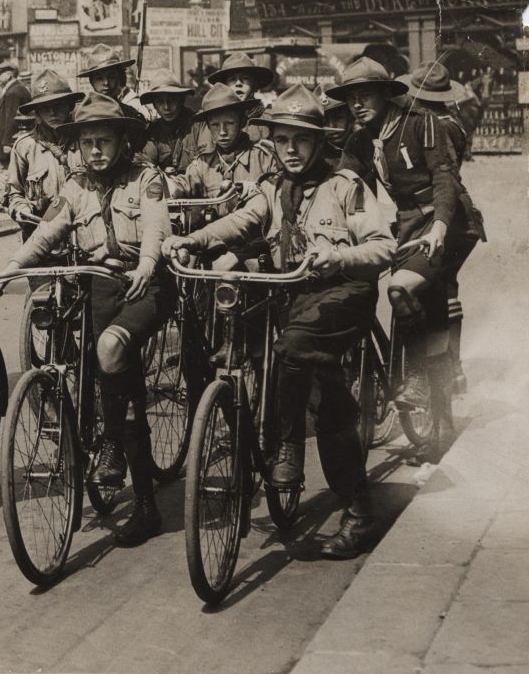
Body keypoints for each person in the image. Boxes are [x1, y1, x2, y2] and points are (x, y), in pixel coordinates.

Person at [162, 84, 396, 558]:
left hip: (341, 294)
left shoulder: (344, 186)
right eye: (283, 140)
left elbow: (384, 246)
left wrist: (339, 256)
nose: (291, 150)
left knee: (297, 355)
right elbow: (241, 222)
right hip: (292, 296)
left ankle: (292, 451)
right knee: (306, 382)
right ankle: (308, 472)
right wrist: (195, 241)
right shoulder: (271, 189)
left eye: (301, 140)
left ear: (317, 143)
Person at [4, 92, 173, 547]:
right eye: (86, 142)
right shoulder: (74, 187)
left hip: (145, 285)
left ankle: (137, 489)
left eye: (104, 140)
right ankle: (97, 437)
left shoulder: (147, 177)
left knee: (113, 351)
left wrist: (146, 263)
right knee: (92, 366)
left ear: (122, 141)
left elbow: (156, 225)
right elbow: (48, 229)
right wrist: (11, 270)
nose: (95, 149)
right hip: (96, 285)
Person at [328, 57, 484, 436]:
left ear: (385, 94)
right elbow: (341, 184)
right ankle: (433, 408)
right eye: (351, 99)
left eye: (365, 96)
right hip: (410, 224)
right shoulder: (361, 137)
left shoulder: (421, 122)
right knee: (419, 308)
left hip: (450, 223)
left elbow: (445, 178)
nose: (357, 106)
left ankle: (414, 375)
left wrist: (440, 228)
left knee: (400, 288)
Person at [396, 61, 475, 392]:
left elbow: (443, 175)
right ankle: (451, 371)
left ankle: (444, 370)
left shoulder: (429, 126)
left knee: (439, 289)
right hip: (458, 211)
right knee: (445, 286)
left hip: (447, 212)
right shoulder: (453, 121)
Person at [4, 69, 83, 236]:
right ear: (37, 112)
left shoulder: (84, 142)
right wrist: (22, 209)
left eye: (58, 105)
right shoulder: (25, 147)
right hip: (41, 236)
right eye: (45, 108)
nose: (52, 112)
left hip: (83, 235)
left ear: (69, 106)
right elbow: (14, 193)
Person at [180, 83, 277, 204]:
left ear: (242, 122)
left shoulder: (264, 159)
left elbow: (278, 194)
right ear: (208, 127)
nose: (222, 132)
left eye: (230, 123)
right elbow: (181, 185)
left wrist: (257, 188)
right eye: (215, 125)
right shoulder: (202, 164)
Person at [199, 52, 275, 149]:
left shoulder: (268, 121)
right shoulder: (205, 121)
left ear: (254, 84)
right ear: (224, 86)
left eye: (245, 78)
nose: (238, 83)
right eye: (232, 79)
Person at [139, 70, 199, 182]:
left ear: (182, 100)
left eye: (172, 100)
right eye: (160, 102)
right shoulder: (152, 131)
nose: (166, 107)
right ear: (154, 106)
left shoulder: (197, 125)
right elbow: (147, 163)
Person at [77, 43, 148, 121]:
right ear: (91, 81)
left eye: (111, 77)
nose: (106, 83)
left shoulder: (131, 115)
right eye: (99, 78)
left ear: (119, 78)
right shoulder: (82, 116)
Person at [0, 60, 32, 168]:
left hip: (7, 147)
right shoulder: (16, 89)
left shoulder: (13, 92)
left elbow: (11, 119)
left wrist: (7, 142)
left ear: (9, 75)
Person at [314, 84, 353, 162]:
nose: (332, 126)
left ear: (351, 116)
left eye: (338, 118)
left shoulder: (368, 146)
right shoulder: (315, 157)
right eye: (324, 121)